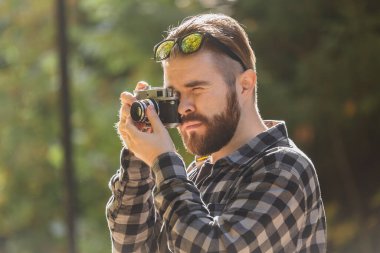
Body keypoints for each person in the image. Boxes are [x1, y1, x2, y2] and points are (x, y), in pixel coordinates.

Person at [106, 13, 327, 253]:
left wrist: (164, 162)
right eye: (175, 94)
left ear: (245, 85)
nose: (183, 107)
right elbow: (132, 248)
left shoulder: (284, 168)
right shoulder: (193, 176)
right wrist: (138, 156)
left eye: (197, 89)